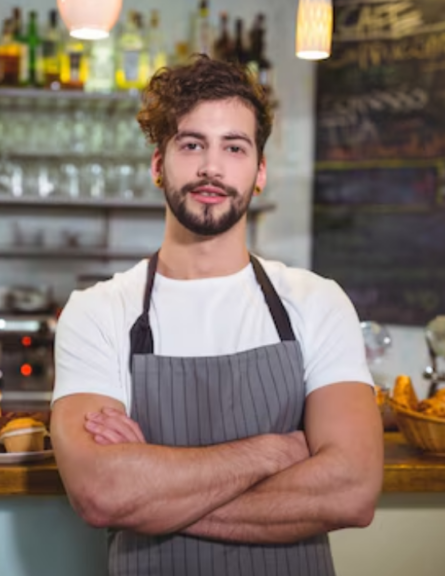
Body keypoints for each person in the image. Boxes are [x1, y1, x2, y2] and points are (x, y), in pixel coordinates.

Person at [50, 56, 384, 576]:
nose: (212, 167)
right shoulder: (98, 311)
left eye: (234, 147)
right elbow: (103, 494)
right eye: (191, 145)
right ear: (159, 164)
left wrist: (155, 497)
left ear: (260, 172)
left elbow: (352, 491)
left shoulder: (316, 303)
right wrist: (273, 452)